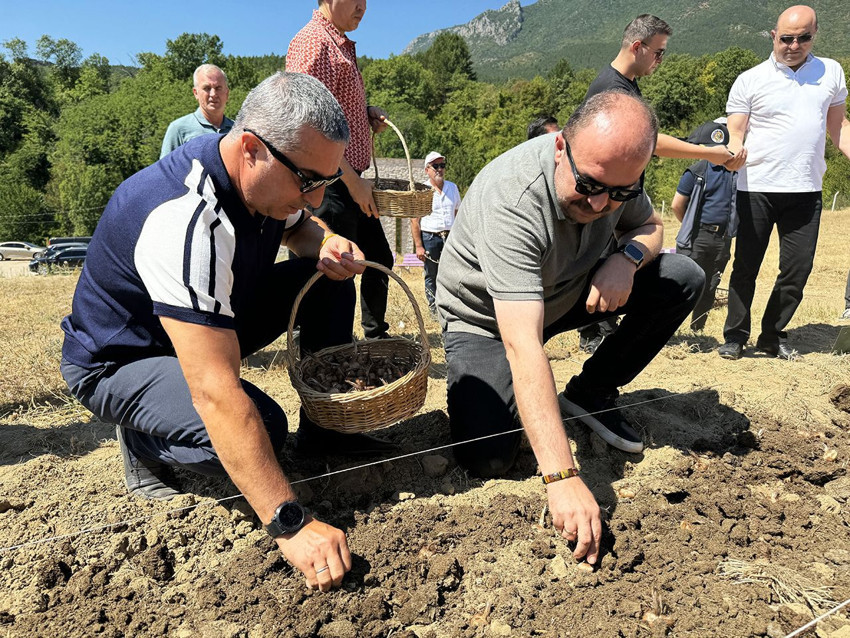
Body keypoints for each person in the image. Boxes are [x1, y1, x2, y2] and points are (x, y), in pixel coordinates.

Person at [60, 72, 386, 593]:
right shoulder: (185, 218)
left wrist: (321, 241)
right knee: (261, 427)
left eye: (325, 181)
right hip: (123, 359)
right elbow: (214, 391)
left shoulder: (259, 181)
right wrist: (290, 524)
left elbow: (299, 226)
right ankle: (144, 436)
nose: (319, 197)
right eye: (308, 181)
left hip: (206, 316)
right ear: (252, 148)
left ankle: (326, 430)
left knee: (325, 281)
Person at [436, 91, 704, 565]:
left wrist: (627, 259)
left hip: (566, 290)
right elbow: (523, 343)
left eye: (620, 192)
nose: (603, 203)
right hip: (485, 319)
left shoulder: (616, 171)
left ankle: (590, 392)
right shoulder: (514, 197)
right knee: (490, 457)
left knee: (682, 278)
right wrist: (562, 478)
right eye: (590, 184)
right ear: (561, 146)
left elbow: (650, 226)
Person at [718, 5, 850, 361]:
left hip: (807, 190)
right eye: (787, 38)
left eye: (803, 38)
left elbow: (839, 127)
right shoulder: (750, 79)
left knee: (797, 270)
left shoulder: (831, 73)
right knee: (746, 266)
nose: (794, 45)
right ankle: (735, 336)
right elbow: (736, 129)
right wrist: (733, 148)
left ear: (813, 36)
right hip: (757, 186)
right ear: (774, 36)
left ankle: (772, 335)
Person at [287, 0, 394, 339]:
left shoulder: (339, 42)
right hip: (331, 183)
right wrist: (352, 183)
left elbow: (332, 110)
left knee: (378, 259)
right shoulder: (314, 43)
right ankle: (327, 361)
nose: (364, 6)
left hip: (348, 180)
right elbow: (307, 125)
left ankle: (373, 337)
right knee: (334, 275)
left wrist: (365, 113)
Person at [586, 14, 746, 171]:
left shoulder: (624, 81)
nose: (661, 60)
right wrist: (708, 153)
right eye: (658, 53)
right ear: (636, 47)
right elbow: (648, 142)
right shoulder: (614, 90)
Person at [527, 115, 619, 354]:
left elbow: (647, 223)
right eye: (553, 139)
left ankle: (607, 336)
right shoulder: (526, 194)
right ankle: (588, 334)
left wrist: (626, 260)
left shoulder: (604, 176)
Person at [672, 119, 739, 331]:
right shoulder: (696, 171)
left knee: (710, 287)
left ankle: (697, 330)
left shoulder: (735, 173)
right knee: (685, 285)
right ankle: (669, 329)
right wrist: (690, 226)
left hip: (722, 240)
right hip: (696, 237)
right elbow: (676, 205)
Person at [410, 151, 461, 318]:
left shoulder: (452, 188)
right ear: (427, 170)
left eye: (442, 166)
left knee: (451, 274)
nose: (439, 169)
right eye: (435, 166)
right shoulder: (422, 190)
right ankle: (433, 309)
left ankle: (449, 307)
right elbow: (415, 220)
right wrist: (418, 246)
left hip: (450, 237)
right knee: (431, 274)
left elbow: (458, 213)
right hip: (430, 237)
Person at [160, 64, 233, 158]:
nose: (213, 94)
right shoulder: (179, 129)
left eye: (218, 88)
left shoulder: (237, 129)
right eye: (207, 88)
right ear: (196, 93)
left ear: (226, 93)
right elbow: (166, 170)